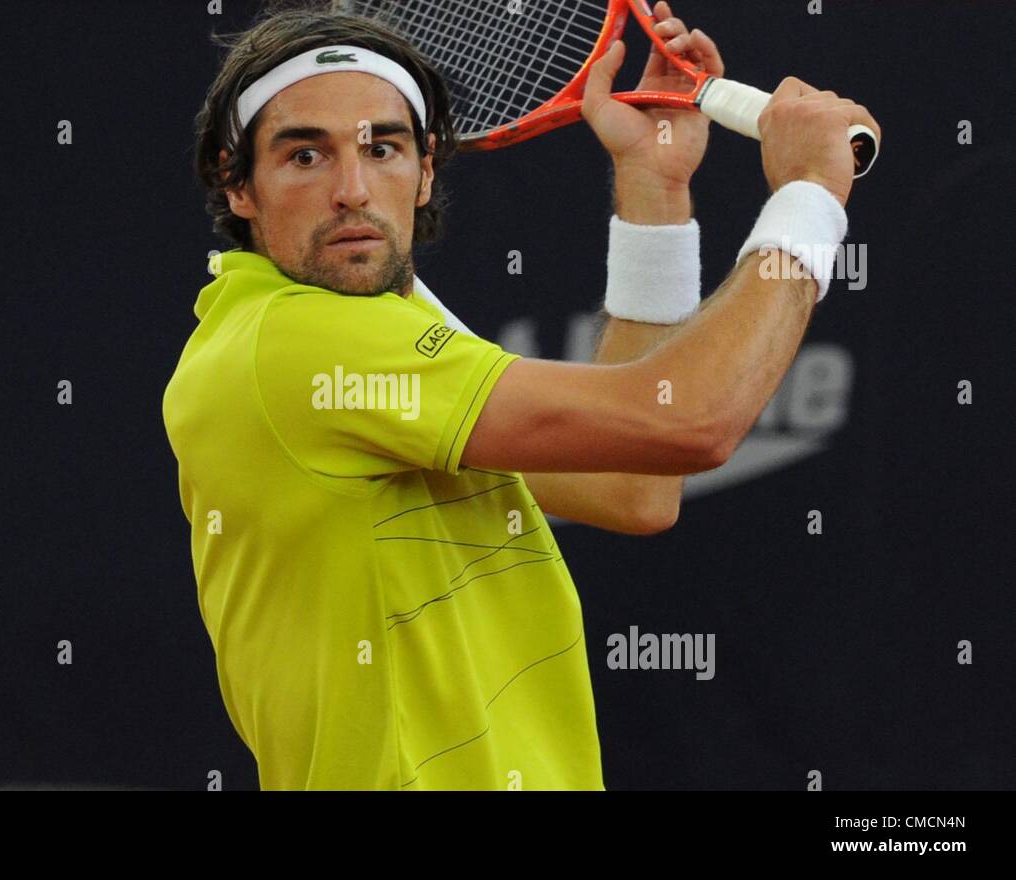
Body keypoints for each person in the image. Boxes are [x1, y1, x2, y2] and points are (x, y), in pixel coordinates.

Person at [163, 3, 880, 789]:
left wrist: (651, 185)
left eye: (384, 147)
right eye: (306, 156)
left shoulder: (373, 349)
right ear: (239, 187)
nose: (353, 189)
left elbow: (634, 487)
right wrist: (808, 197)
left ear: (426, 168)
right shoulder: (291, 345)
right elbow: (692, 422)